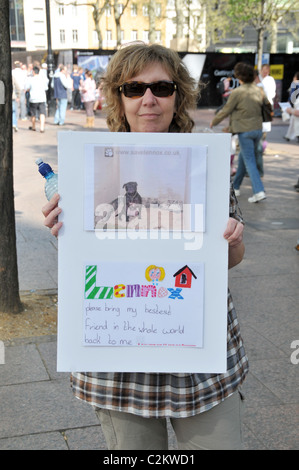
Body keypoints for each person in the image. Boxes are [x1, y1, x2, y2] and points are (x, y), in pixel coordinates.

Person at [42, 43, 248, 450]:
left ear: (179, 94)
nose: (149, 100)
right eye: (134, 89)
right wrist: (62, 231)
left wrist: (231, 240)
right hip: (120, 360)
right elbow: (85, 259)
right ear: (119, 97)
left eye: (162, 88)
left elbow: (232, 258)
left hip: (197, 351)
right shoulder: (88, 165)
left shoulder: (203, 161)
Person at [211, 62, 267, 203]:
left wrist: (214, 122)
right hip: (258, 129)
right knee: (243, 158)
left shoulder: (238, 92)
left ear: (239, 77)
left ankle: (259, 191)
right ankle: (235, 187)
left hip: (245, 131)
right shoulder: (259, 90)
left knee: (249, 161)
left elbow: (226, 110)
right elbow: (266, 107)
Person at [25, 66, 49, 133]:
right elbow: (46, 88)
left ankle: (33, 126)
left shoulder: (31, 79)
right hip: (41, 98)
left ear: (33, 72)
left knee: (33, 113)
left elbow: (27, 87)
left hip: (33, 98)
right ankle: (42, 127)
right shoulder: (42, 79)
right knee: (42, 113)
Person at [284, 73, 299, 142]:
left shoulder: (295, 83)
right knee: (293, 120)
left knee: (296, 120)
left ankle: (296, 135)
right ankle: (288, 136)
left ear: (296, 77)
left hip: (297, 103)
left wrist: (289, 102)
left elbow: (292, 95)